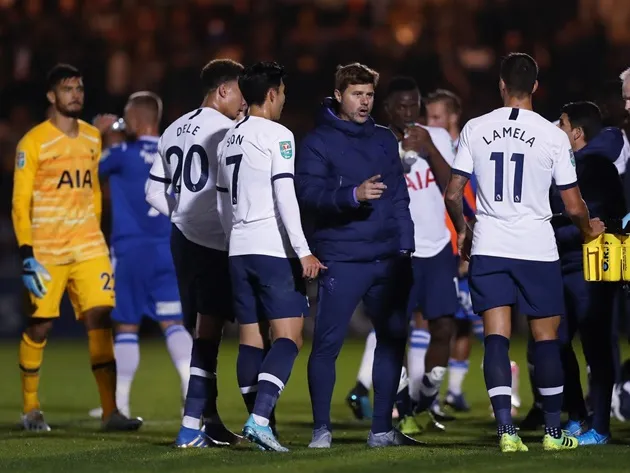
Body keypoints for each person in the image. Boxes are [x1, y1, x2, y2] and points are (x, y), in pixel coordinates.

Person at [444, 52, 604, 453]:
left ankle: (505, 432)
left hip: (490, 245)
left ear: (501, 85)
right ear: (535, 86)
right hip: (536, 248)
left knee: (495, 337)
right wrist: (588, 231)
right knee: (546, 338)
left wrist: (465, 230)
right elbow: (572, 205)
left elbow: (452, 193)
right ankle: (552, 434)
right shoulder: (552, 135)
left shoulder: (475, 127)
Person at [12, 63, 142, 432]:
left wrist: (100, 233)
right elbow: (20, 202)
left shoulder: (91, 137)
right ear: (52, 96)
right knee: (41, 326)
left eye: (80, 88)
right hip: (47, 250)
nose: (76, 95)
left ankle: (110, 411)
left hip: (88, 245)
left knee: (100, 316)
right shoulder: (32, 143)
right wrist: (26, 253)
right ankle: (31, 408)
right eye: (68, 89)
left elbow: (94, 194)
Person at [296, 63, 420, 448]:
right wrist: (352, 195)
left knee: (392, 339)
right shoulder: (317, 141)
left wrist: (406, 243)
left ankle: (381, 429)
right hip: (344, 257)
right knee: (327, 345)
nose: (364, 102)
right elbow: (309, 195)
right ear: (338, 95)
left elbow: (399, 195)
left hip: (387, 257)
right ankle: (321, 430)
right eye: (356, 94)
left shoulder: (384, 139)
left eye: (368, 94)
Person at [216, 61, 324, 452]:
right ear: (273, 94)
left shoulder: (228, 138)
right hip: (270, 250)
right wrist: (303, 250)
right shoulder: (279, 134)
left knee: (250, 339)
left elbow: (220, 201)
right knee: (290, 338)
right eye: (283, 94)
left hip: (239, 249)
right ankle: (260, 421)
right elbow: (285, 196)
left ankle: (263, 424)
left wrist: (234, 240)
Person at [346, 76, 457, 433]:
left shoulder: (435, 137)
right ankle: (401, 408)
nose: (409, 112)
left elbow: (452, 186)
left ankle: (424, 397)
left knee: (444, 328)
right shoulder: (373, 142)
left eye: (414, 105)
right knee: (395, 333)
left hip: (438, 247)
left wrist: (430, 150)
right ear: (387, 109)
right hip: (398, 252)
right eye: (402, 106)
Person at [145, 59, 246, 448]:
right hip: (215, 243)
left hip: (182, 241)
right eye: (240, 91)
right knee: (209, 336)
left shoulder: (172, 128)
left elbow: (152, 192)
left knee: (205, 333)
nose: (244, 101)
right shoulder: (229, 131)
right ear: (223, 90)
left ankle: (210, 420)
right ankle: (190, 429)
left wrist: (183, 214)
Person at [523, 102, 625, 445]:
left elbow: (602, 223)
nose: (557, 129)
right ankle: (578, 416)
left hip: (592, 268)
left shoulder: (596, 169)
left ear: (577, 133)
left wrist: (553, 229)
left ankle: (600, 426)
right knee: (555, 343)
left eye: (562, 124)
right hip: (560, 265)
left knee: (595, 348)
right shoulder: (561, 165)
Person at [87, 92, 192, 420]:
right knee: (173, 323)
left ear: (134, 120)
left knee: (127, 326)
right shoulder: (174, 153)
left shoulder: (121, 153)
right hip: (167, 249)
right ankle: (192, 392)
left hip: (130, 251)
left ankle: (121, 403)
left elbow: (86, 170)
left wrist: (98, 134)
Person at [426, 89, 521, 415]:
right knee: (444, 324)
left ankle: (504, 393)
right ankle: (431, 397)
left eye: (437, 117)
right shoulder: (429, 149)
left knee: (482, 327)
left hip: (468, 248)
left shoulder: (471, 146)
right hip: (439, 248)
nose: (430, 123)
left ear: (453, 117)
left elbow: (472, 201)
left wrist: (472, 238)